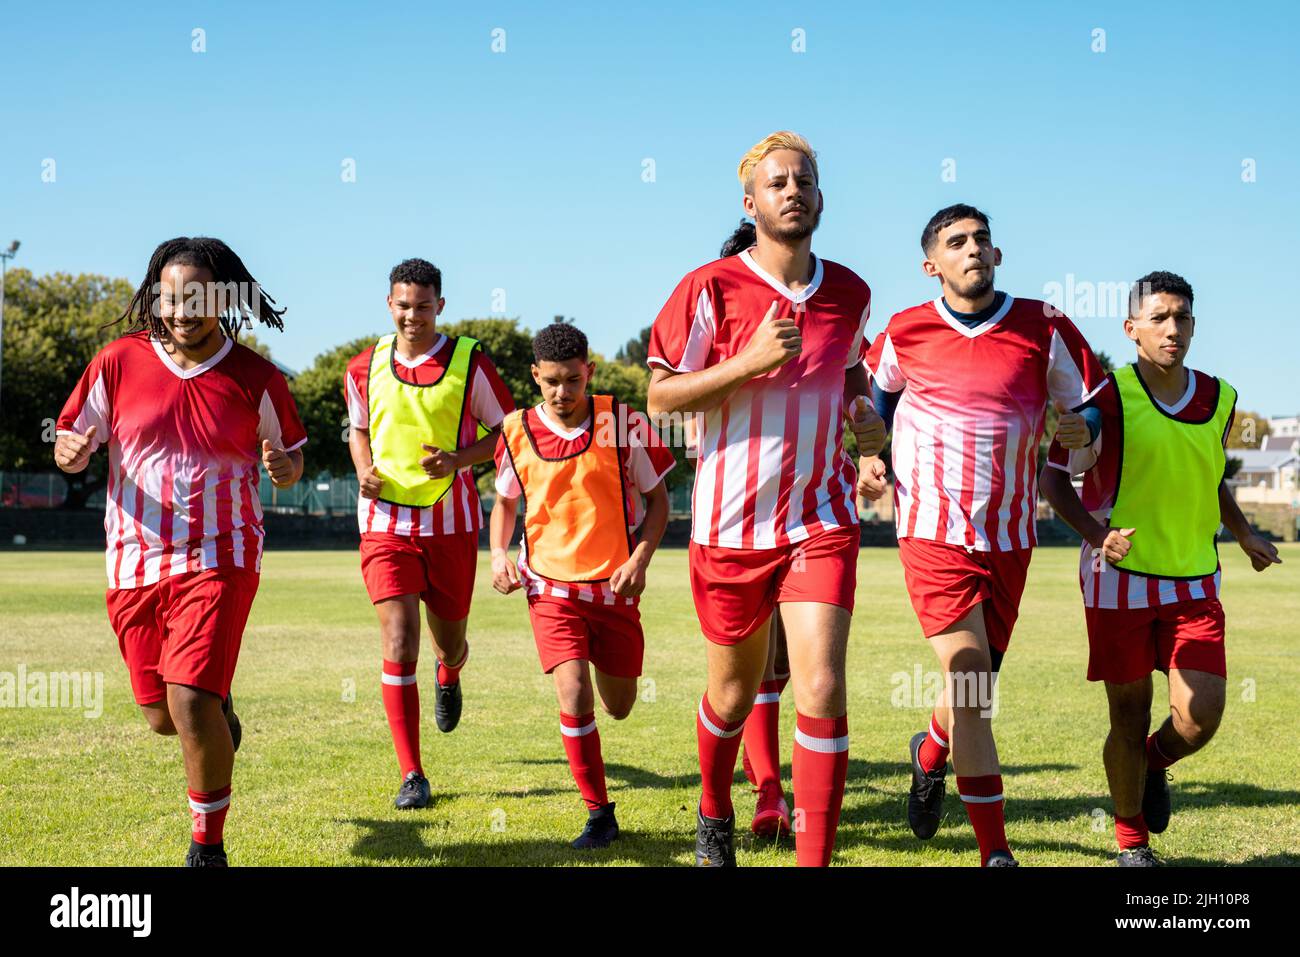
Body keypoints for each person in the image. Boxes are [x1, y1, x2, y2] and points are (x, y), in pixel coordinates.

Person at [647, 132, 885, 867]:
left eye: (804, 180)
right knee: (732, 693)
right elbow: (658, 397)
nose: (793, 190)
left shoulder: (850, 292)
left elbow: (850, 379)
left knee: (820, 680)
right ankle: (715, 808)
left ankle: (813, 858)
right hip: (730, 528)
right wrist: (748, 362)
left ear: (821, 197)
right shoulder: (708, 287)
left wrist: (868, 423)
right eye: (777, 182)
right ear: (750, 204)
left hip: (820, 519)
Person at [54, 237, 307, 866]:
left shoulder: (257, 377)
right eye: (170, 296)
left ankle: (207, 847)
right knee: (164, 717)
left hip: (221, 555)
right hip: (133, 559)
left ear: (224, 298)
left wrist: (283, 466)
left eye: (196, 295)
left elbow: (292, 456)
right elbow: (69, 434)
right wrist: (69, 451)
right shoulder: (117, 361)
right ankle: (218, 705)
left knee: (187, 699)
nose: (182, 308)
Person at [863, 204, 1104, 866]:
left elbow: (1089, 404)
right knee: (971, 681)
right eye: (956, 242)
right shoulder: (904, 330)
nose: (972, 249)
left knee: (973, 689)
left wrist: (1086, 433)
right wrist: (868, 456)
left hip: (1009, 537)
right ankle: (996, 855)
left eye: (982, 240)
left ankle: (930, 751)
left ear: (998, 256)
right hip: (932, 531)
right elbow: (870, 411)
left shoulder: (1044, 324)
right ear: (930, 264)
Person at [1038, 270, 1280, 866]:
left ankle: (1152, 763)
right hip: (1117, 582)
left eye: (1182, 319)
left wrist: (1244, 532)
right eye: (1159, 318)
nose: (1172, 329)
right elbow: (1055, 477)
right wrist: (1098, 536)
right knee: (1127, 713)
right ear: (1132, 330)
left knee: (1200, 717)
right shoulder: (1107, 396)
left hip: (1196, 579)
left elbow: (1209, 472)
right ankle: (1131, 843)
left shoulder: (1220, 397)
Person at [489, 322, 673, 849]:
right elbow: (505, 502)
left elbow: (659, 502)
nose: (562, 393)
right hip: (549, 588)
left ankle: (600, 797)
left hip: (614, 590)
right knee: (572, 693)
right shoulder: (515, 430)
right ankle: (599, 813)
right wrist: (498, 553)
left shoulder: (623, 421)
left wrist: (641, 558)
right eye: (551, 381)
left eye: (573, 380)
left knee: (619, 705)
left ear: (588, 372)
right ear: (535, 376)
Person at [344, 258, 514, 809]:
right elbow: (359, 429)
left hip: (453, 525)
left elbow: (512, 434)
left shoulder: (470, 362)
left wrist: (460, 459)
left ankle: (450, 671)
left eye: (422, 305)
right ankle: (412, 774)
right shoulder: (362, 366)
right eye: (402, 305)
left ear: (440, 305)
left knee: (449, 640)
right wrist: (363, 468)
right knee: (397, 641)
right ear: (388, 305)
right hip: (385, 526)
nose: (411, 315)